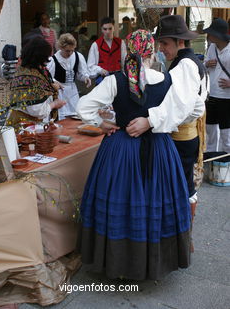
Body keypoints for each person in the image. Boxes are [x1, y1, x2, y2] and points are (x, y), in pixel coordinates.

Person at [76, 30, 191, 281]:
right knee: (155, 202)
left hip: (121, 149)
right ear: (153, 52)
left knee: (121, 201)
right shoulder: (168, 80)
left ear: (127, 51)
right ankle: (153, 261)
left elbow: (83, 106)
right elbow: (185, 112)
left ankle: (119, 263)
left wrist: (100, 123)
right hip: (159, 149)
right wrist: (153, 122)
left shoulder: (115, 80)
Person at [126, 15, 208, 251]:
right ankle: (183, 238)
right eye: (159, 44)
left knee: (182, 186)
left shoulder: (185, 65)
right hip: (185, 133)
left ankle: (184, 238)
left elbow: (179, 104)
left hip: (182, 135)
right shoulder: (189, 62)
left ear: (180, 42)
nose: (161, 49)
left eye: (165, 44)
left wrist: (149, 121)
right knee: (183, 185)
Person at [7, 36, 65, 129]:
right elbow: (37, 111)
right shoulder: (29, 77)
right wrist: (55, 104)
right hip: (26, 127)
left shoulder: (29, 70)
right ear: (40, 57)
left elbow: (45, 80)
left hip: (30, 125)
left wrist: (54, 83)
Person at [47, 33, 91, 120]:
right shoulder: (53, 60)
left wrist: (85, 77)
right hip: (60, 93)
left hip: (73, 92)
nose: (70, 53)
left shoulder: (78, 56)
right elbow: (48, 78)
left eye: (72, 50)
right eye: (67, 51)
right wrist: (55, 81)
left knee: (75, 116)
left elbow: (79, 74)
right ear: (61, 48)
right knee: (62, 118)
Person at [203, 18, 230, 153]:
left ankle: (225, 165)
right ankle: (210, 162)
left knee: (227, 135)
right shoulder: (211, 48)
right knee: (210, 132)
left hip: (227, 98)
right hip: (211, 95)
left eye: (212, 33)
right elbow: (203, 66)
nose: (209, 36)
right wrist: (207, 64)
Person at [87, 17, 127, 84]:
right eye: (105, 29)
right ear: (101, 29)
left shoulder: (121, 43)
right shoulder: (96, 45)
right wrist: (100, 70)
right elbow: (90, 66)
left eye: (110, 29)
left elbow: (124, 62)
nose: (108, 31)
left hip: (118, 78)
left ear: (114, 28)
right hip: (103, 78)